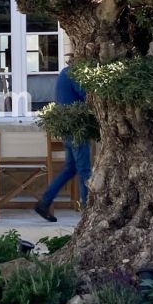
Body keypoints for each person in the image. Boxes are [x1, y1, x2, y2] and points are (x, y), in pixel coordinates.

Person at [34, 61, 91, 222]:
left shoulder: (64, 73)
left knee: (70, 168)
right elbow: (88, 97)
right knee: (84, 170)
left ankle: (44, 202)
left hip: (66, 128)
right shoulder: (75, 74)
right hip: (76, 128)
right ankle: (88, 211)